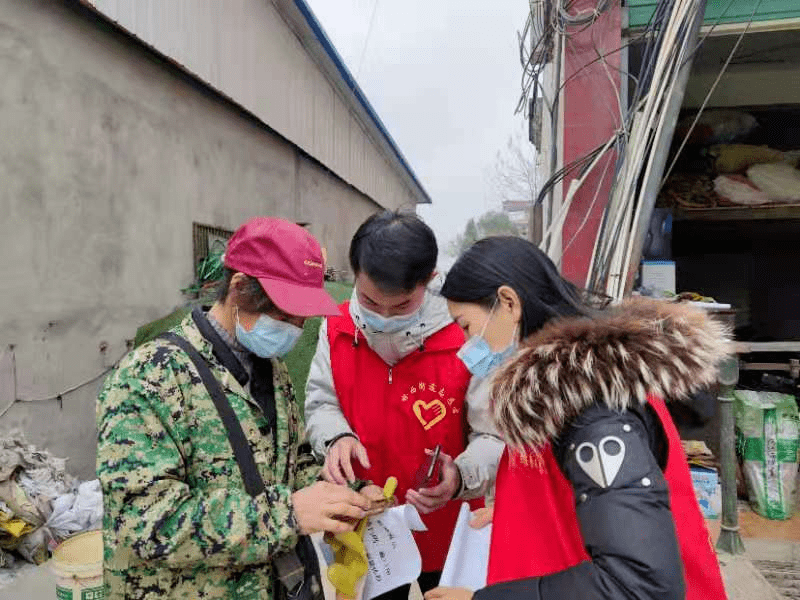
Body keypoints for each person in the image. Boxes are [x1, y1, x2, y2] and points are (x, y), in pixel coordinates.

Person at [426, 236, 728, 600]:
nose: (466, 347)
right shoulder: (557, 398)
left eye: (466, 327)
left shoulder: (596, 412)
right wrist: (521, 514)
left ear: (509, 303)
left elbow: (638, 585)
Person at [97, 217, 380, 600]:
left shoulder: (271, 369)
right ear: (240, 288)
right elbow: (148, 523)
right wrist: (289, 514)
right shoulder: (150, 376)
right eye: (285, 315)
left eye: (303, 317)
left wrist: (344, 494)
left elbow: (288, 463)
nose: (297, 328)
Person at [305, 211, 504, 598]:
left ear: (429, 282)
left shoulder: (467, 337)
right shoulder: (336, 327)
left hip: (448, 529)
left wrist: (460, 477)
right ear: (354, 275)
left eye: (400, 306)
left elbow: (493, 434)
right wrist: (335, 438)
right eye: (368, 300)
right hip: (368, 525)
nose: (381, 317)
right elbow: (321, 401)